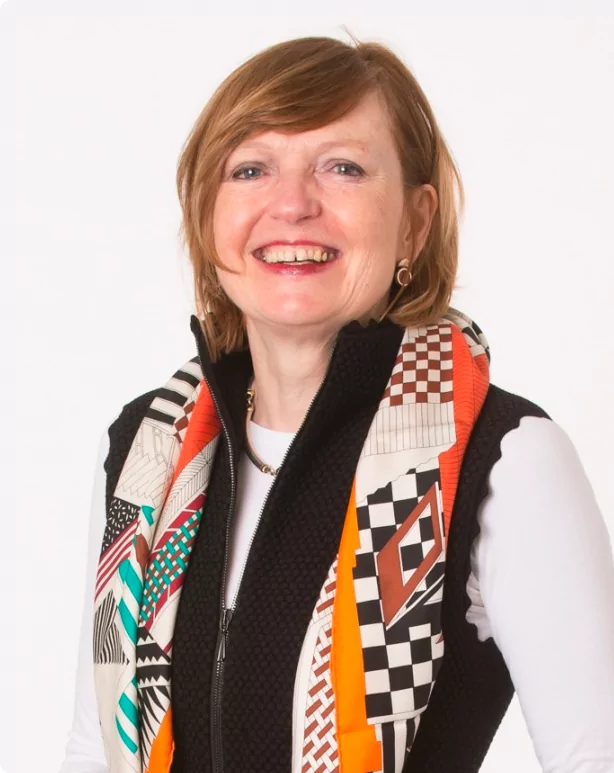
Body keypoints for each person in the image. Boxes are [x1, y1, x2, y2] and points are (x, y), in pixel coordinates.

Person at [59, 35, 614, 773]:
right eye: (250, 169)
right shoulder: (145, 455)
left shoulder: (506, 459)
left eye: (342, 167)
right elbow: (93, 752)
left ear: (414, 222)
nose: (292, 204)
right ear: (205, 216)